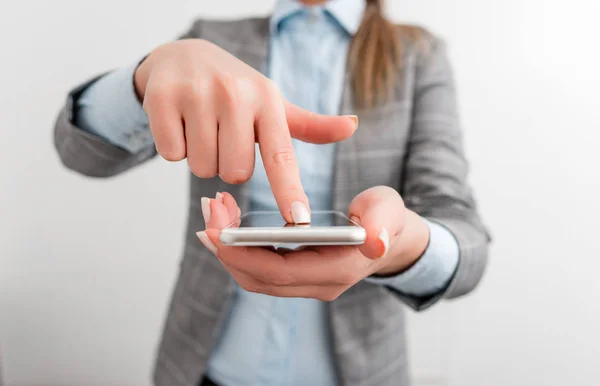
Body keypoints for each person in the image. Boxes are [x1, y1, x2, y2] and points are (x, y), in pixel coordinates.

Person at [53, 0, 490, 385]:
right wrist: (143, 79)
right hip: (199, 366)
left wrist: (403, 245)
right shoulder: (212, 41)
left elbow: (467, 247)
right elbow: (79, 153)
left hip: (363, 372)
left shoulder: (419, 55)